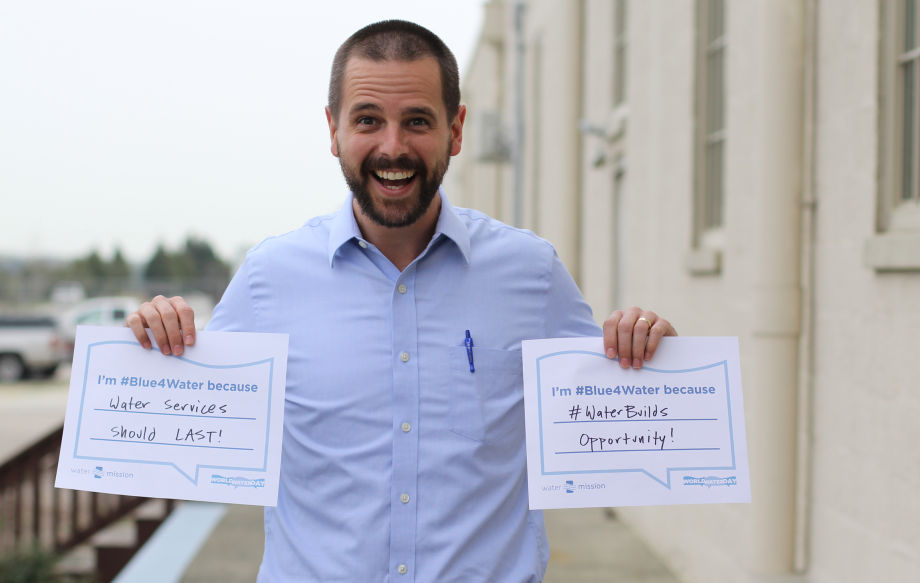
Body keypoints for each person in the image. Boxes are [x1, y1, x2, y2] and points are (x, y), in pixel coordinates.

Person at [126, 19, 676, 582]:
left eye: (417, 121)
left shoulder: (532, 274)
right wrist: (154, 343)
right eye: (368, 120)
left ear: (455, 131)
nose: (393, 147)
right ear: (334, 130)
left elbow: (609, 414)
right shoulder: (268, 279)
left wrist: (652, 356)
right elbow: (198, 425)